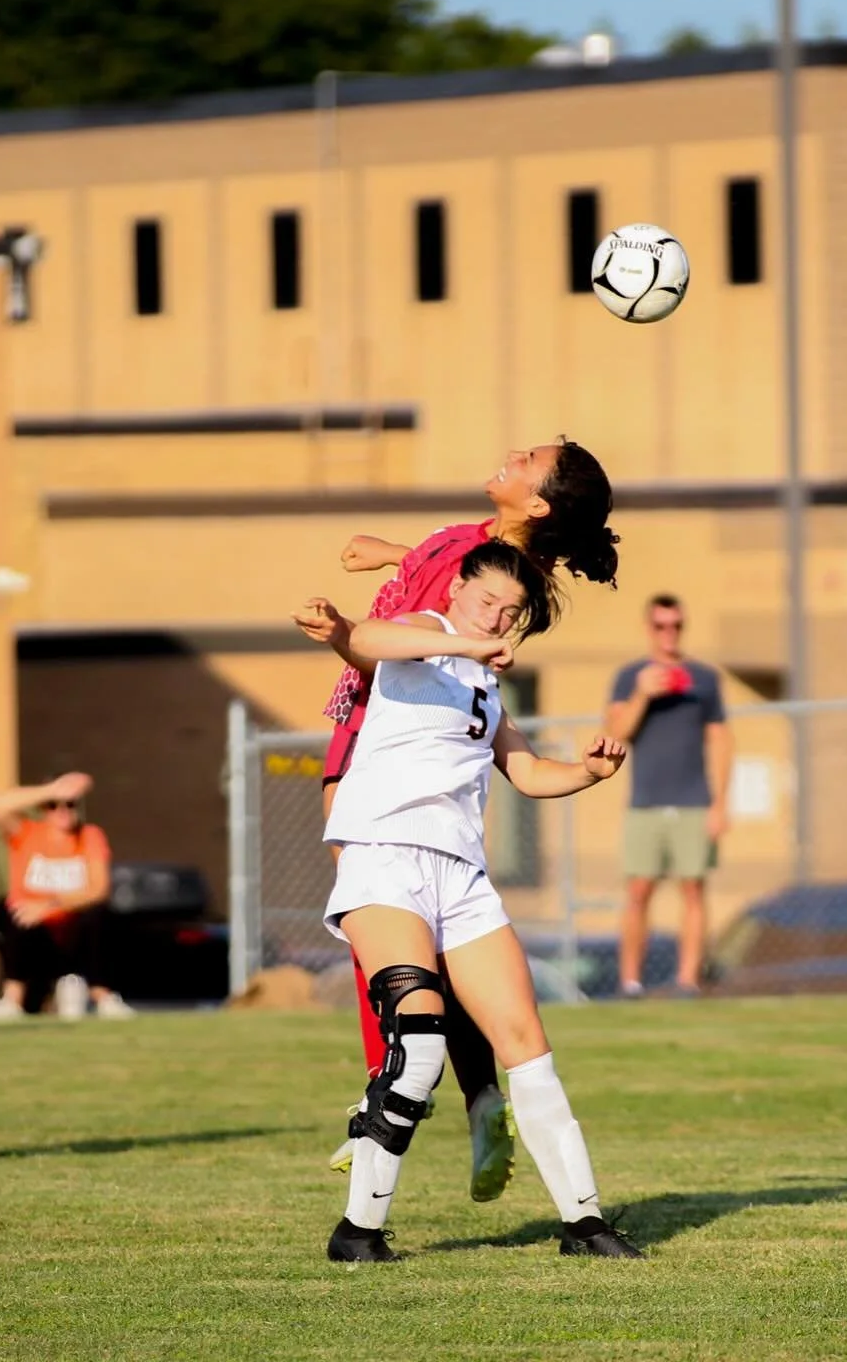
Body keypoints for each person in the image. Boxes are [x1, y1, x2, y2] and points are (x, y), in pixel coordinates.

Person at [295, 438, 620, 1201]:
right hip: (377, 731)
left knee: (387, 915)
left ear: (537, 504)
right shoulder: (469, 547)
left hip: (386, 741)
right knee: (412, 932)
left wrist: (350, 630)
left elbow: (405, 641)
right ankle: (471, 1099)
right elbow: (437, 577)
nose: (510, 452)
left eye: (529, 458)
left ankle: (392, 1085)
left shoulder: (499, 589)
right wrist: (394, 555)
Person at [605, 593, 733, 997]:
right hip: (645, 801)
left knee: (693, 889)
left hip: (694, 800)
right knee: (638, 890)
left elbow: (721, 740)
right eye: (660, 626)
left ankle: (688, 981)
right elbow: (617, 732)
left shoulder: (705, 679)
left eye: (675, 625)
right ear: (649, 628)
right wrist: (644, 693)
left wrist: (721, 803)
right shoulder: (630, 677)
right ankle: (630, 983)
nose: (668, 633)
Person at [0, 771, 134, 1020]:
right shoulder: (27, 832)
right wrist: (53, 790)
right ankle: (12, 999)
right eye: (53, 806)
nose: (62, 810)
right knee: (14, 911)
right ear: (43, 809)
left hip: (73, 932)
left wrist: (49, 904)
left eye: (70, 804)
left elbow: (98, 889)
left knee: (99, 915)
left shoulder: (89, 836)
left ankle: (103, 997)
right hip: (33, 934)